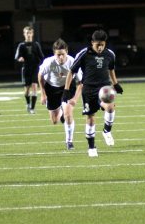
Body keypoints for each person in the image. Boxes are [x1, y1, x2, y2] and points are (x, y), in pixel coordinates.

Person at [63, 29, 123, 158]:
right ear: (92, 43)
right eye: (97, 45)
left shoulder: (110, 54)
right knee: (90, 118)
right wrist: (66, 90)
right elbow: (71, 72)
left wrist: (116, 84)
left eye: (102, 44)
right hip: (89, 89)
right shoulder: (84, 53)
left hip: (104, 88)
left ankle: (107, 131)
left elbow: (111, 69)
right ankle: (91, 147)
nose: (100, 47)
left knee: (110, 107)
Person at [38, 38, 82, 149]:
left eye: (62, 54)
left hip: (67, 88)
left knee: (68, 114)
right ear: (54, 54)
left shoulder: (73, 62)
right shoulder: (49, 62)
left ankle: (69, 142)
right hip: (51, 88)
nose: (61, 57)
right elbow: (40, 76)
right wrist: (43, 93)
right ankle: (61, 112)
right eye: (58, 55)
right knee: (55, 121)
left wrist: (75, 99)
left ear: (67, 51)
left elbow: (81, 83)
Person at [14, 25, 45, 114]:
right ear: (24, 34)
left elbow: (41, 56)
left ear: (32, 34)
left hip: (35, 68)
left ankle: (32, 108)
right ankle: (28, 104)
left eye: (30, 33)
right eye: (27, 33)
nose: (29, 34)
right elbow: (16, 56)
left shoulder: (36, 44)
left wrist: (40, 64)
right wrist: (20, 58)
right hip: (26, 69)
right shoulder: (21, 45)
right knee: (27, 89)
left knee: (35, 86)